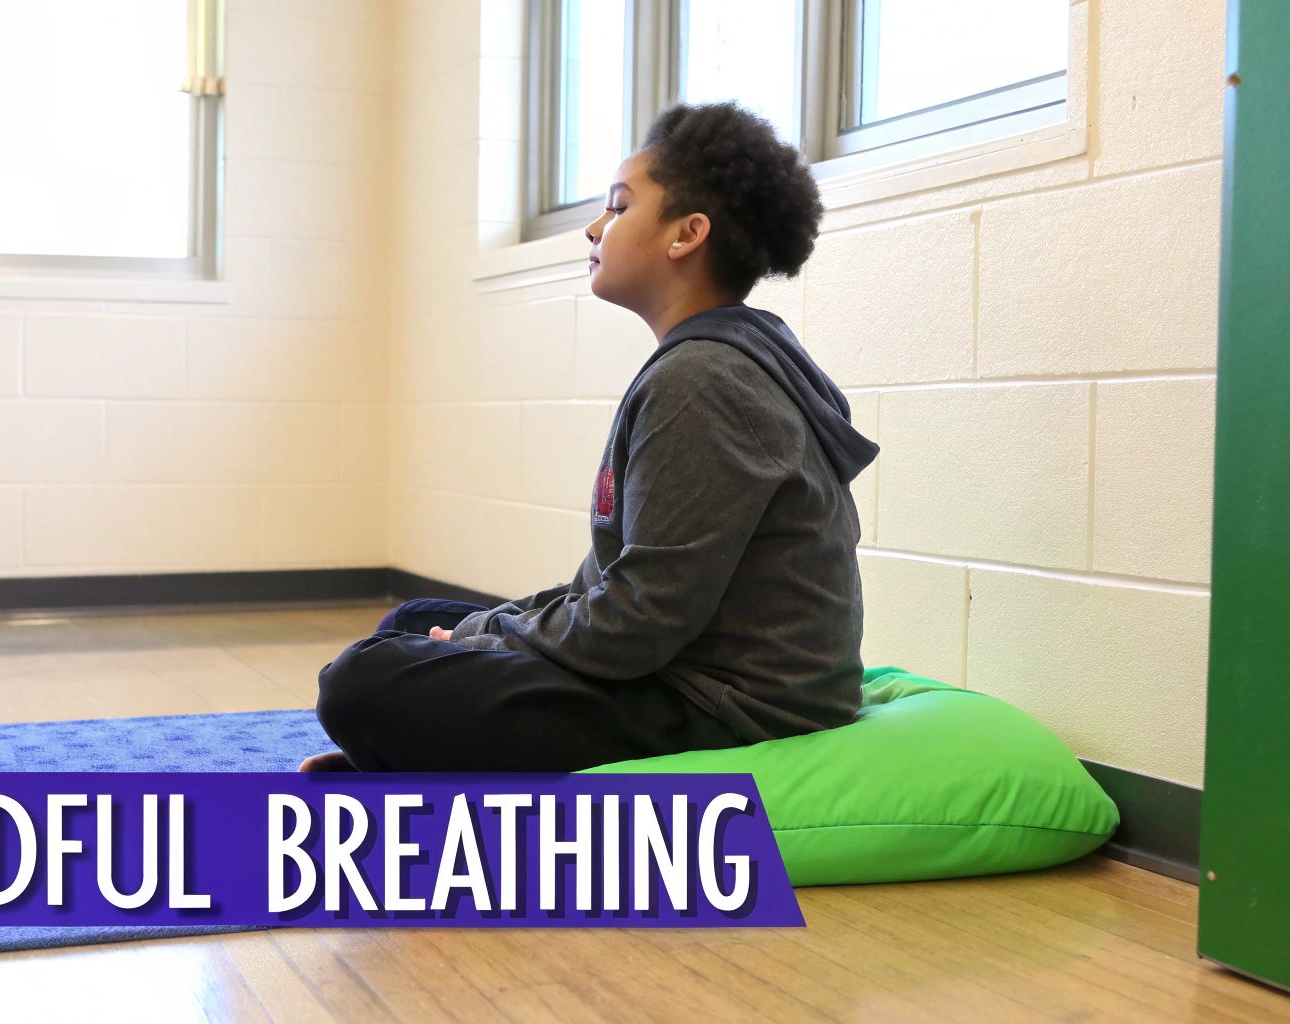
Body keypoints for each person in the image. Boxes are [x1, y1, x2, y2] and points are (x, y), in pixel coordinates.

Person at [301, 102, 879, 772]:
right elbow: (615, 589)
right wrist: (476, 634)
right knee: (413, 622)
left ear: (686, 235)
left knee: (358, 682)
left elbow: (635, 624)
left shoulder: (703, 379)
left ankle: (414, 748)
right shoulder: (721, 355)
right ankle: (416, 748)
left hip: (730, 710)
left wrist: (479, 642)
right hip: (682, 670)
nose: (593, 227)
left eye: (618, 206)